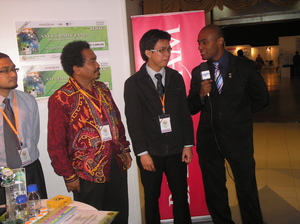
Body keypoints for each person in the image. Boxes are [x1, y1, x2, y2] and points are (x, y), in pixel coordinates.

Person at [188, 25, 269, 224]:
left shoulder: (244, 67)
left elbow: (262, 98)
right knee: (214, 189)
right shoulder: (199, 71)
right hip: (209, 140)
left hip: (238, 139)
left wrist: (239, 116)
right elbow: (191, 107)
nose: (200, 47)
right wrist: (200, 95)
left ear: (220, 41)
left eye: (204, 41)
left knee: (246, 187)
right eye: (199, 42)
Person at [47, 41, 132, 224]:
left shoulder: (102, 88)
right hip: (86, 173)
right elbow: (56, 142)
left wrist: (125, 150)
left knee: (119, 216)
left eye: (96, 60)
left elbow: (116, 121)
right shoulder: (61, 98)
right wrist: (68, 175)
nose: (97, 65)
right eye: (92, 61)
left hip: (115, 164)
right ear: (77, 68)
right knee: (91, 219)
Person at [124, 29, 194, 224]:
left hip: (176, 150)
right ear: (148, 52)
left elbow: (184, 114)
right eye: (162, 50)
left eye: (169, 49)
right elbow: (134, 121)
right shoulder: (133, 83)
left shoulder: (175, 77)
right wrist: (142, 152)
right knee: (152, 198)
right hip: (150, 153)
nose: (167, 54)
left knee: (181, 196)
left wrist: (188, 143)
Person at [0, 52, 47, 205]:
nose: (12, 74)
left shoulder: (27, 100)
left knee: (37, 215)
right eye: (5, 70)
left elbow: (34, 135)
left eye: (14, 69)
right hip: (2, 173)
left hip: (30, 169)